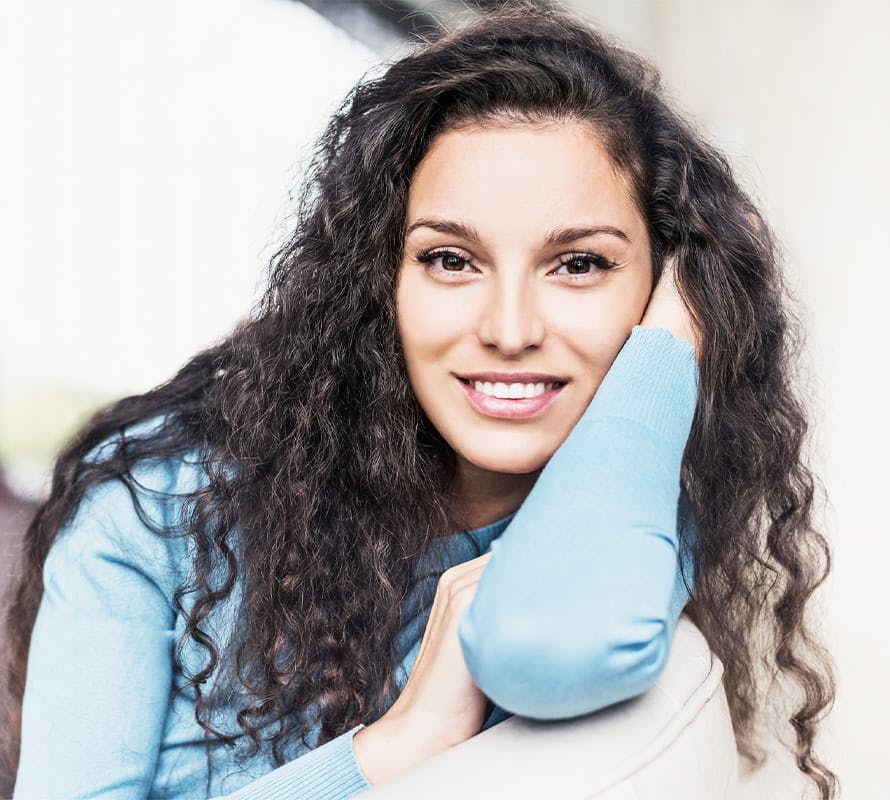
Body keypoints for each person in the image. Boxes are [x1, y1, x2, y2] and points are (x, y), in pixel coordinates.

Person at [0, 2, 838, 798]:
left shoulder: (627, 494)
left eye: (579, 264)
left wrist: (687, 327)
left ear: (655, 289)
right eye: (450, 260)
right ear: (377, 284)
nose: (509, 329)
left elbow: (550, 641)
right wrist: (401, 745)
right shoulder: (159, 513)